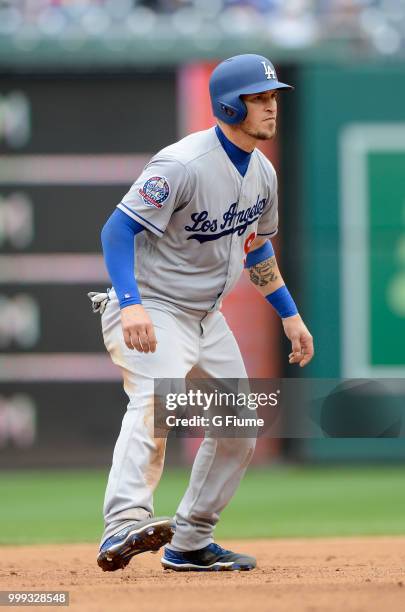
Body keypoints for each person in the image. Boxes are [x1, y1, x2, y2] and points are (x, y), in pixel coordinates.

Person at [91, 53, 314, 573]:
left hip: (205, 317)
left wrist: (289, 314)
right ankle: (122, 523)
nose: (270, 107)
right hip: (154, 305)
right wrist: (131, 305)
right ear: (228, 105)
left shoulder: (262, 173)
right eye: (259, 99)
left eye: (273, 97)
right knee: (156, 396)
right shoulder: (182, 163)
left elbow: (255, 247)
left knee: (238, 426)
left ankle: (189, 542)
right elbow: (116, 230)